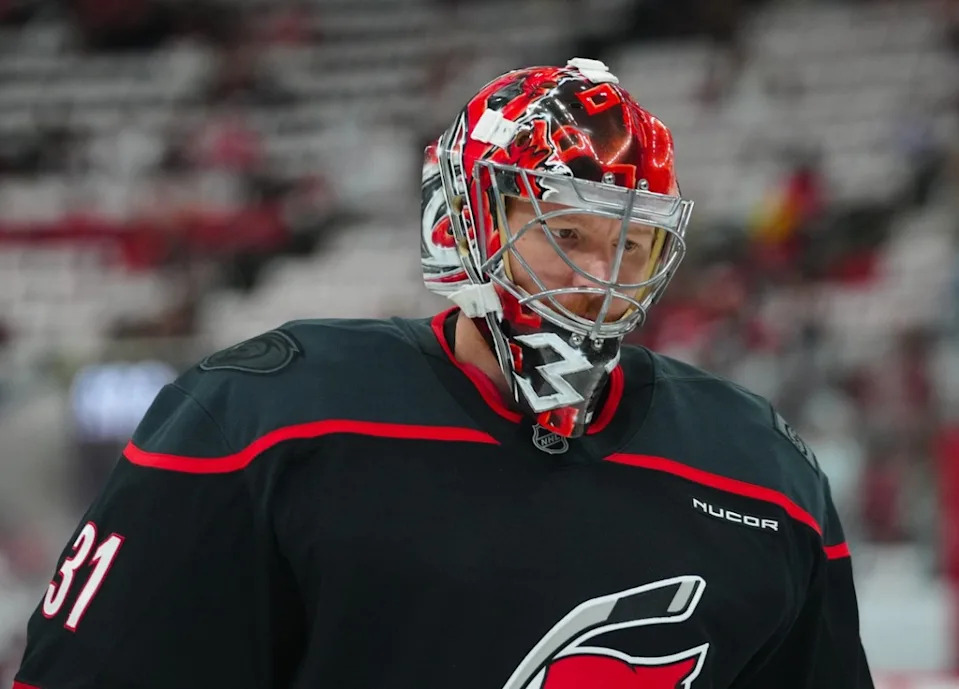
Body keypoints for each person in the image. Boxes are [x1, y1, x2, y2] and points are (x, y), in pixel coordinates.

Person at [14, 58, 873, 688]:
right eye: (567, 231)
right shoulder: (261, 419)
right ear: (459, 221)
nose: (601, 273)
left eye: (632, 242)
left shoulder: (762, 471)